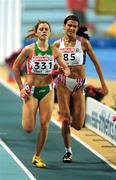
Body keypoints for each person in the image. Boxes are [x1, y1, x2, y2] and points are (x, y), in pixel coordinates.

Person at [12, 20, 70, 168]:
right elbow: (15, 67)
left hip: (47, 91)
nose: (44, 31)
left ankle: (37, 156)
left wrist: (64, 71)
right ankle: (26, 110)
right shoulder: (29, 50)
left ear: (49, 32)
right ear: (37, 33)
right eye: (41, 29)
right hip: (31, 91)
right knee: (28, 128)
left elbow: (66, 67)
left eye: (46, 29)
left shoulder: (55, 51)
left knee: (45, 124)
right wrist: (21, 88)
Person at [53, 15, 108, 163]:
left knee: (77, 125)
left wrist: (103, 84)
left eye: (74, 26)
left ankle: (70, 114)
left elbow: (96, 63)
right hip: (63, 84)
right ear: (64, 27)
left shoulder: (83, 43)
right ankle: (68, 151)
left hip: (79, 86)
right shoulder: (57, 45)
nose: (71, 28)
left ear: (77, 28)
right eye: (69, 25)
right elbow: (51, 66)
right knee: (65, 119)